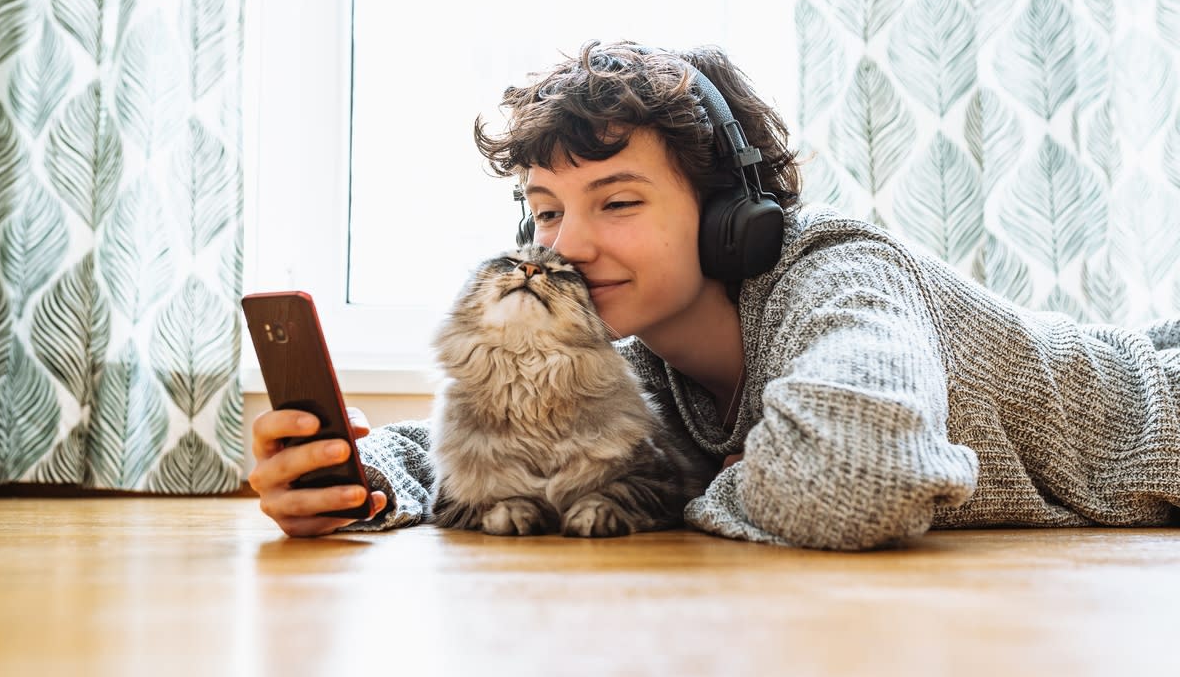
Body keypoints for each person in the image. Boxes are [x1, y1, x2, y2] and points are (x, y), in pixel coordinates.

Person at [249, 40, 1180, 550]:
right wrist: (358, 480)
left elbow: (860, 480)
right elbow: (517, 454)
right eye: (543, 211)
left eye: (615, 202)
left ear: (729, 214)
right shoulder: (649, 366)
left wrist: (688, 495)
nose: (564, 245)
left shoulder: (838, 273)